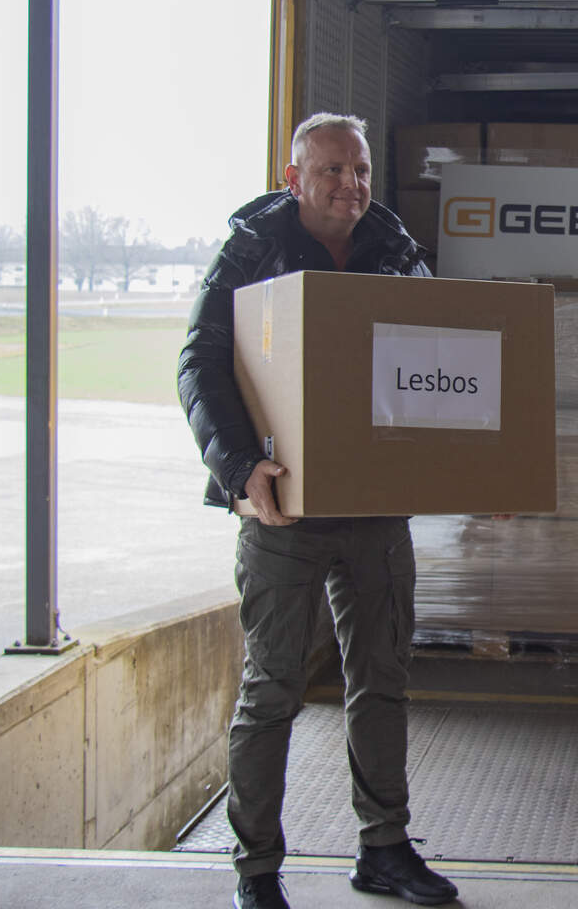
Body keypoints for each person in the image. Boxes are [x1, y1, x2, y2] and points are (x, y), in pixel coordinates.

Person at [178, 113, 459, 909]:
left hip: (374, 511)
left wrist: (479, 476)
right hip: (284, 512)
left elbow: (439, 365)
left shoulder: (397, 252)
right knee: (271, 690)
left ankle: (384, 849)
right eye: (333, 170)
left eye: (361, 169)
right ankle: (256, 869)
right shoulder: (251, 251)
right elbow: (200, 363)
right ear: (294, 177)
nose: (352, 184)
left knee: (382, 680)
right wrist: (239, 468)